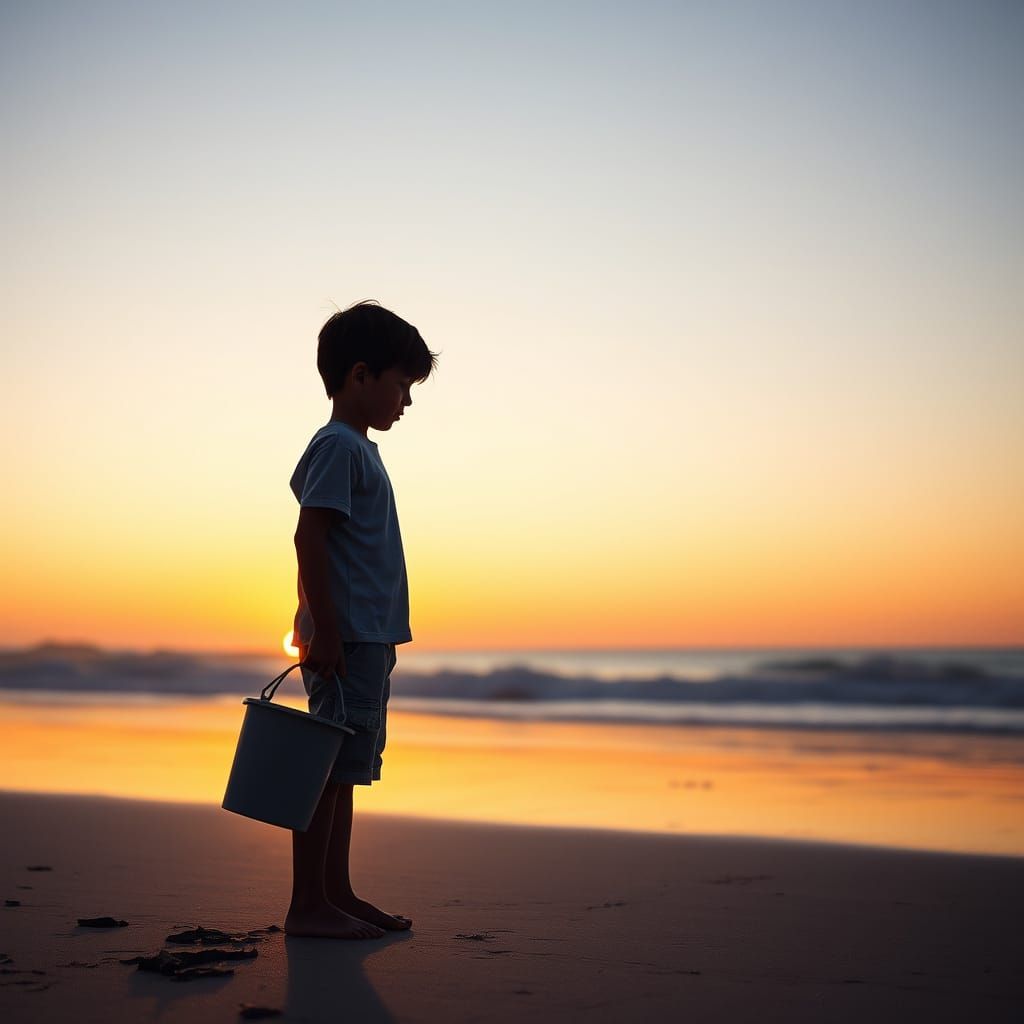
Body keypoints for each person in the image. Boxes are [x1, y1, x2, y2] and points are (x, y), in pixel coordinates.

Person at [284, 300, 437, 940]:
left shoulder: (359, 450)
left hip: (365, 636)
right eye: (401, 385)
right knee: (324, 770)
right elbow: (309, 537)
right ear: (360, 375)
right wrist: (325, 629)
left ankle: (335, 892)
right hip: (347, 637)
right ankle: (307, 906)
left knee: (343, 769)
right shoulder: (337, 446)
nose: (406, 400)